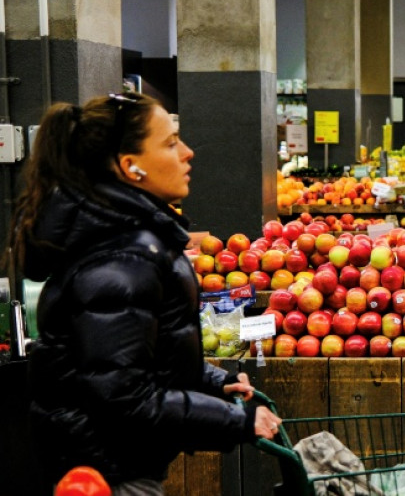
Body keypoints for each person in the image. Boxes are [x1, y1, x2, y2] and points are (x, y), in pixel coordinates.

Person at [10, 93, 282, 494]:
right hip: (105, 477)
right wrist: (237, 420)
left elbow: (130, 360)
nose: (188, 153)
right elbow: (122, 399)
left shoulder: (123, 238)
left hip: (107, 464)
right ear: (130, 166)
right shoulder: (123, 256)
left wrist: (210, 381)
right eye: (171, 143)